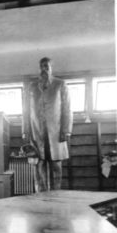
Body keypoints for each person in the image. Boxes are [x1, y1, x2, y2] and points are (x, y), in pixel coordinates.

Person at [22, 57, 73, 192]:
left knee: (56, 166)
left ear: (51, 68)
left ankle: (56, 196)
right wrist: (25, 131)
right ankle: (41, 198)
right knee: (39, 166)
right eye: (42, 67)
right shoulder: (31, 87)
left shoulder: (60, 84)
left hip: (56, 134)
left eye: (47, 66)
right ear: (39, 69)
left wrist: (66, 130)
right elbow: (25, 111)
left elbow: (67, 109)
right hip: (37, 133)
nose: (44, 69)